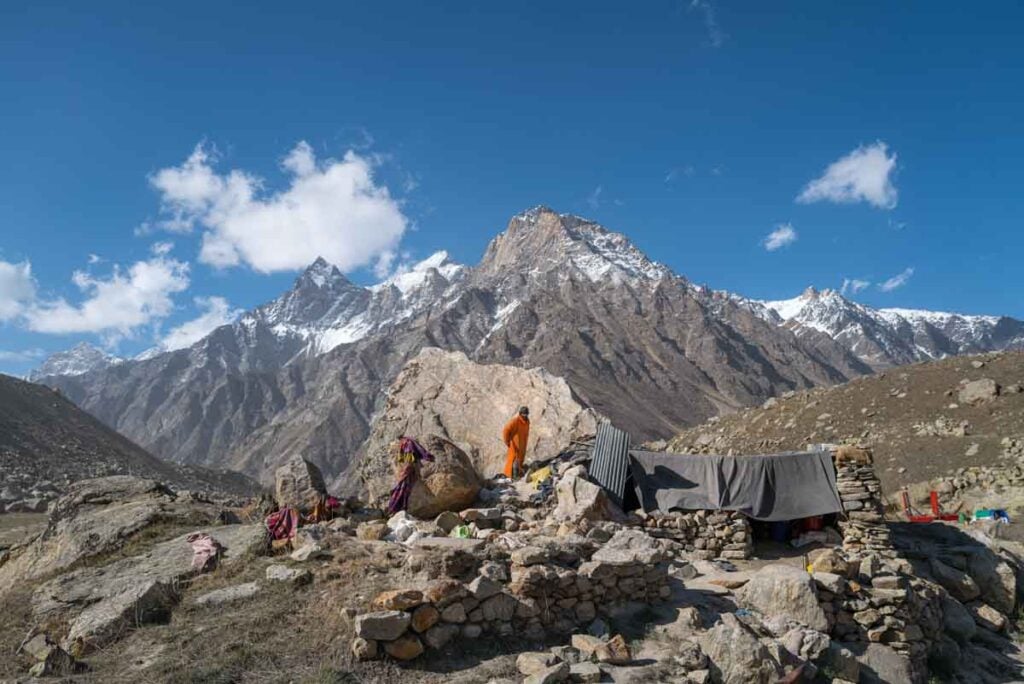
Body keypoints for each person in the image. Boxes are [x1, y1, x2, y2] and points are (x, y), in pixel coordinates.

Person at [502, 406, 531, 479]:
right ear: (520, 413)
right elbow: (506, 430)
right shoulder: (515, 421)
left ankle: (518, 475)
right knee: (513, 462)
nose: (525, 415)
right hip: (514, 445)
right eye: (523, 414)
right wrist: (507, 441)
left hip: (522, 445)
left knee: (520, 461)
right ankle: (511, 477)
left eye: (526, 414)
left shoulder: (527, 422)